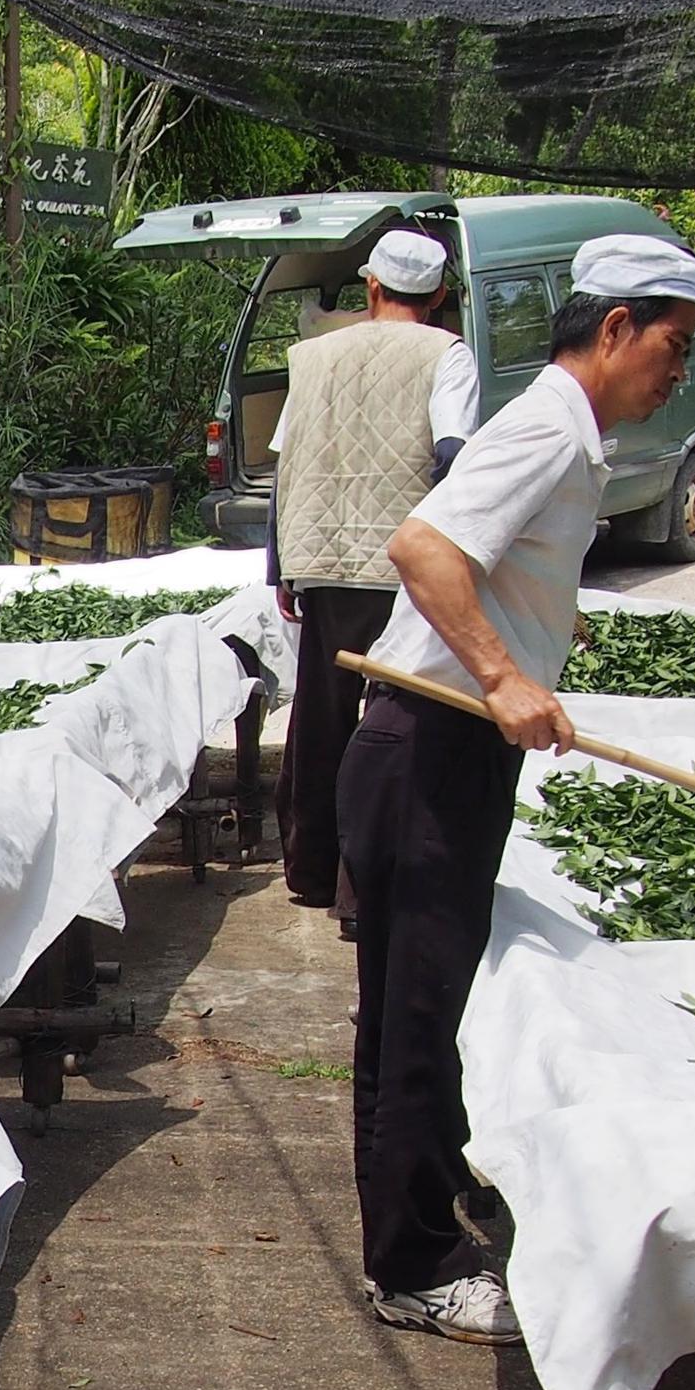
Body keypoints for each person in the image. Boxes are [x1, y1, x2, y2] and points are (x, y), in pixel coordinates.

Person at [342, 235, 695, 1347]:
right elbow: (421, 548)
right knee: (414, 1020)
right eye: (672, 345)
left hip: (437, 746)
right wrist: (506, 676)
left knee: (411, 1014)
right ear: (613, 329)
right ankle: (412, 1266)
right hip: (429, 745)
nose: (676, 372)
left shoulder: (567, 432)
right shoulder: (544, 426)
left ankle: (418, 1221)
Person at [272, 226, 480, 936]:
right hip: (400, 565)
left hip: (324, 560)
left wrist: (281, 566)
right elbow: (454, 455)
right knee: (390, 724)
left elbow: (285, 466)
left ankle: (308, 870)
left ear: (370, 286)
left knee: (323, 719)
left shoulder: (314, 355)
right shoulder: (447, 355)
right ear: (441, 296)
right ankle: (361, 894)